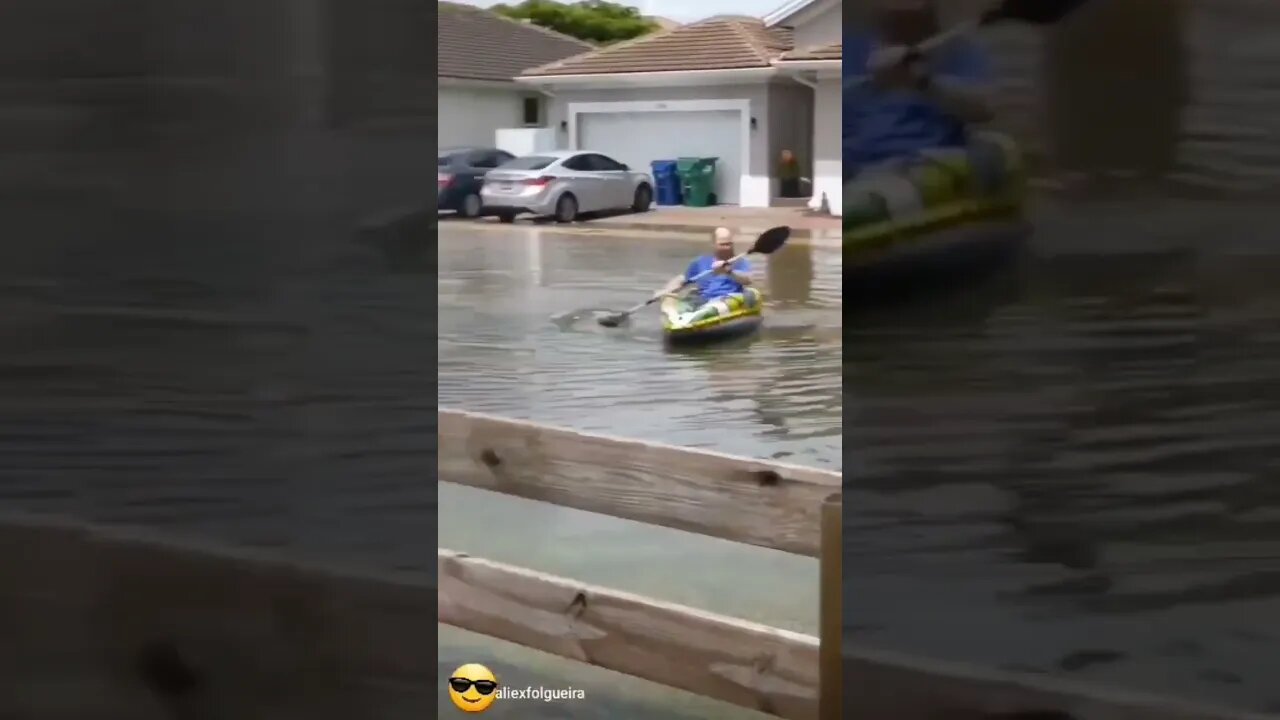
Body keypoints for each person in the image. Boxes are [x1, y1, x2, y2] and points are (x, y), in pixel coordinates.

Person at [845, 0, 1005, 220]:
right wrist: (871, 80)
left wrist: (922, 81)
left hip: (922, 164)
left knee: (869, 206)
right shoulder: (852, 48)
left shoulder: (957, 48)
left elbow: (985, 108)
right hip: (856, 169)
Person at [653, 227, 755, 323]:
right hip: (703, 299)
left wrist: (729, 271)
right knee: (672, 304)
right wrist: (665, 291)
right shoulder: (701, 262)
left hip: (726, 300)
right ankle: (679, 319)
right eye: (722, 244)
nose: (727, 248)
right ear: (713, 244)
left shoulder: (740, 262)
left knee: (710, 309)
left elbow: (748, 279)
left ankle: (695, 317)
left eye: (729, 244)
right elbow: (683, 279)